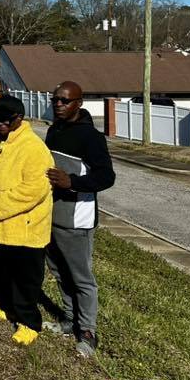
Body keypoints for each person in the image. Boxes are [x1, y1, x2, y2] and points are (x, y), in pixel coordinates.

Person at [0, 95, 53, 345]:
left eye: (7, 120)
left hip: (25, 228)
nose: (1, 124)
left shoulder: (33, 148)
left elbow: (34, 190)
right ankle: (11, 309)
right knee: (5, 273)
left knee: (26, 278)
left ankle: (29, 323)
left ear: (19, 119)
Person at [44, 81, 116, 357]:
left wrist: (71, 181)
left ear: (79, 103)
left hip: (77, 218)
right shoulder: (54, 130)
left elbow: (106, 177)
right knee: (59, 271)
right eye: (56, 100)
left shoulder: (91, 137)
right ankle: (68, 320)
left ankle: (87, 332)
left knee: (81, 277)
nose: (59, 105)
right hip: (52, 214)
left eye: (65, 101)